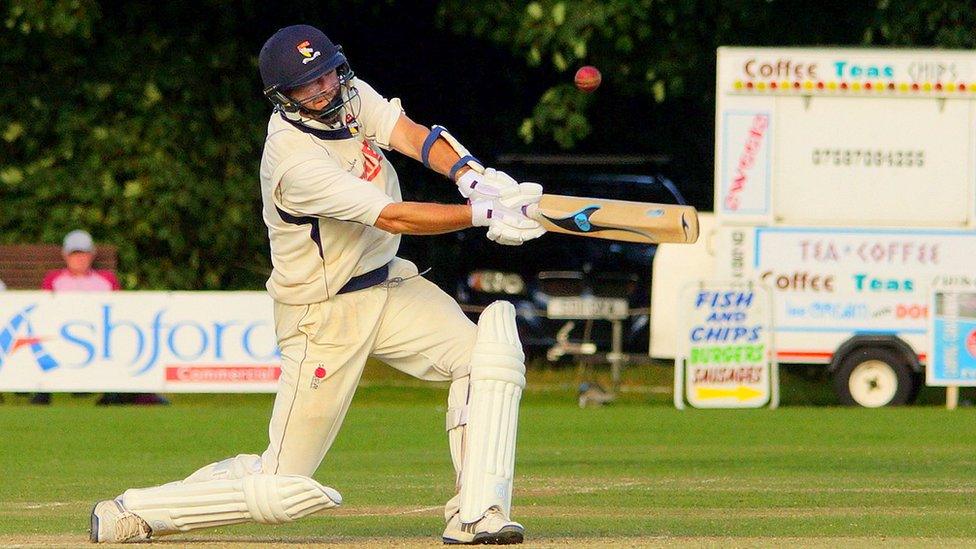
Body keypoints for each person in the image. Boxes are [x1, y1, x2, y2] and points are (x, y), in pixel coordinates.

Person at [89, 24, 545, 545]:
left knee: (487, 357)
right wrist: (481, 214)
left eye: (327, 73)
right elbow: (392, 217)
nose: (324, 89)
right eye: (308, 86)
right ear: (284, 98)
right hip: (323, 315)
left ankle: (476, 512)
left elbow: (411, 134)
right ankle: (140, 509)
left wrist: (472, 175)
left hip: (390, 286)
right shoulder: (292, 161)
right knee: (282, 485)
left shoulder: (348, 97)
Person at [35, 230, 168, 406]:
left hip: (102, 335)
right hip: (63, 334)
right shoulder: (54, 280)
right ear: (65, 255)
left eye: (83, 253)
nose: (79, 258)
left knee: (128, 341)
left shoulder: (106, 280)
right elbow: (45, 310)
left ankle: (125, 393)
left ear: (92, 255)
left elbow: (118, 311)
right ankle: (42, 393)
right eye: (75, 254)